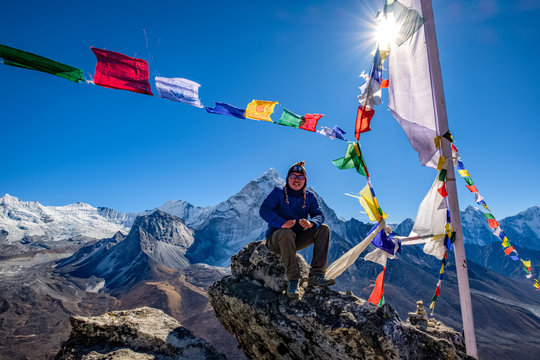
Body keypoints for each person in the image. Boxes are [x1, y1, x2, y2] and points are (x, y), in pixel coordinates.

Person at [259, 161, 335, 299]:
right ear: (287, 179)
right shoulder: (278, 193)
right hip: (276, 241)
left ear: (305, 180)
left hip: (297, 239)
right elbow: (264, 211)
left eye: (300, 177)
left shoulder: (310, 197)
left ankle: (316, 275)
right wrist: (281, 223)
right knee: (286, 233)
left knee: (323, 229)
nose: (296, 180)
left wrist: (311, 223)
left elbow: (319, 215)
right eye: (293, 176)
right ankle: (293, 280)